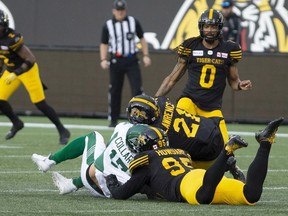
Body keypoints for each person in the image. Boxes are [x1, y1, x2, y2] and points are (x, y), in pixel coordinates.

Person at [106, 117, 284, 205]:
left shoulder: (146, 161)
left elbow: (122, 193)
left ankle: (227, 151)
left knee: (203, 197)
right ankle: (266, 142)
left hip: (189, 185)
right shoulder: (180, 152)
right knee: (251, 195)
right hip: (202, 176)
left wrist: (112, 182)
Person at [154, 9, 252, 147]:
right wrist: (154, 100)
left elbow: (234, 82)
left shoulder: (229, 49)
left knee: (223, 145)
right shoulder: (191, 46)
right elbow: (172, 79)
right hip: (190, 100)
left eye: (213, 26)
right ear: (201, 27)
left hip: (212, 106)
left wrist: (240, 85)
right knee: (175, 133)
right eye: (207, 26)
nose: (210, 30)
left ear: (219, 28)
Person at [127, 94, 245, 182]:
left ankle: (224, 164)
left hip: (207, 148)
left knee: (180, 170)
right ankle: (226, 160)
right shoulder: (161, 103)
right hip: (210, 127)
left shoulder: (158, 131)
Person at [0, 10, 70, 144]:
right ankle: (17, 123)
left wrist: (17, 73)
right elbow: (1, 56)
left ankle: (62, 130)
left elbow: (31, 58)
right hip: (10, 71)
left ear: (4, 25)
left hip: (27, 71)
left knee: (40, 103)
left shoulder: (12, 38)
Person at [31, 122, 148, 196]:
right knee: (108, 162)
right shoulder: (148, 161)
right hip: (112, 191)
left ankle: (49, 161)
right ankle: (72, 184)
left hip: (92, 176)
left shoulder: (123, 128)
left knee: (94, 136)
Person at [100, 0, 151, 127]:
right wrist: (103, 59)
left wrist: (145, 55)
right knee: (115, 90)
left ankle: (139, 118)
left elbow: (142, 38)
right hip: (116, 60)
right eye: (118, 10)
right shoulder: (108, 25)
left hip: (131, 59)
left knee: (137, 89)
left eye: (122, 10)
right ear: (113, 11)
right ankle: (113, 119)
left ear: (125, 10)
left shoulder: (133, 22)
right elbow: (104, 43)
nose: (120, 12)